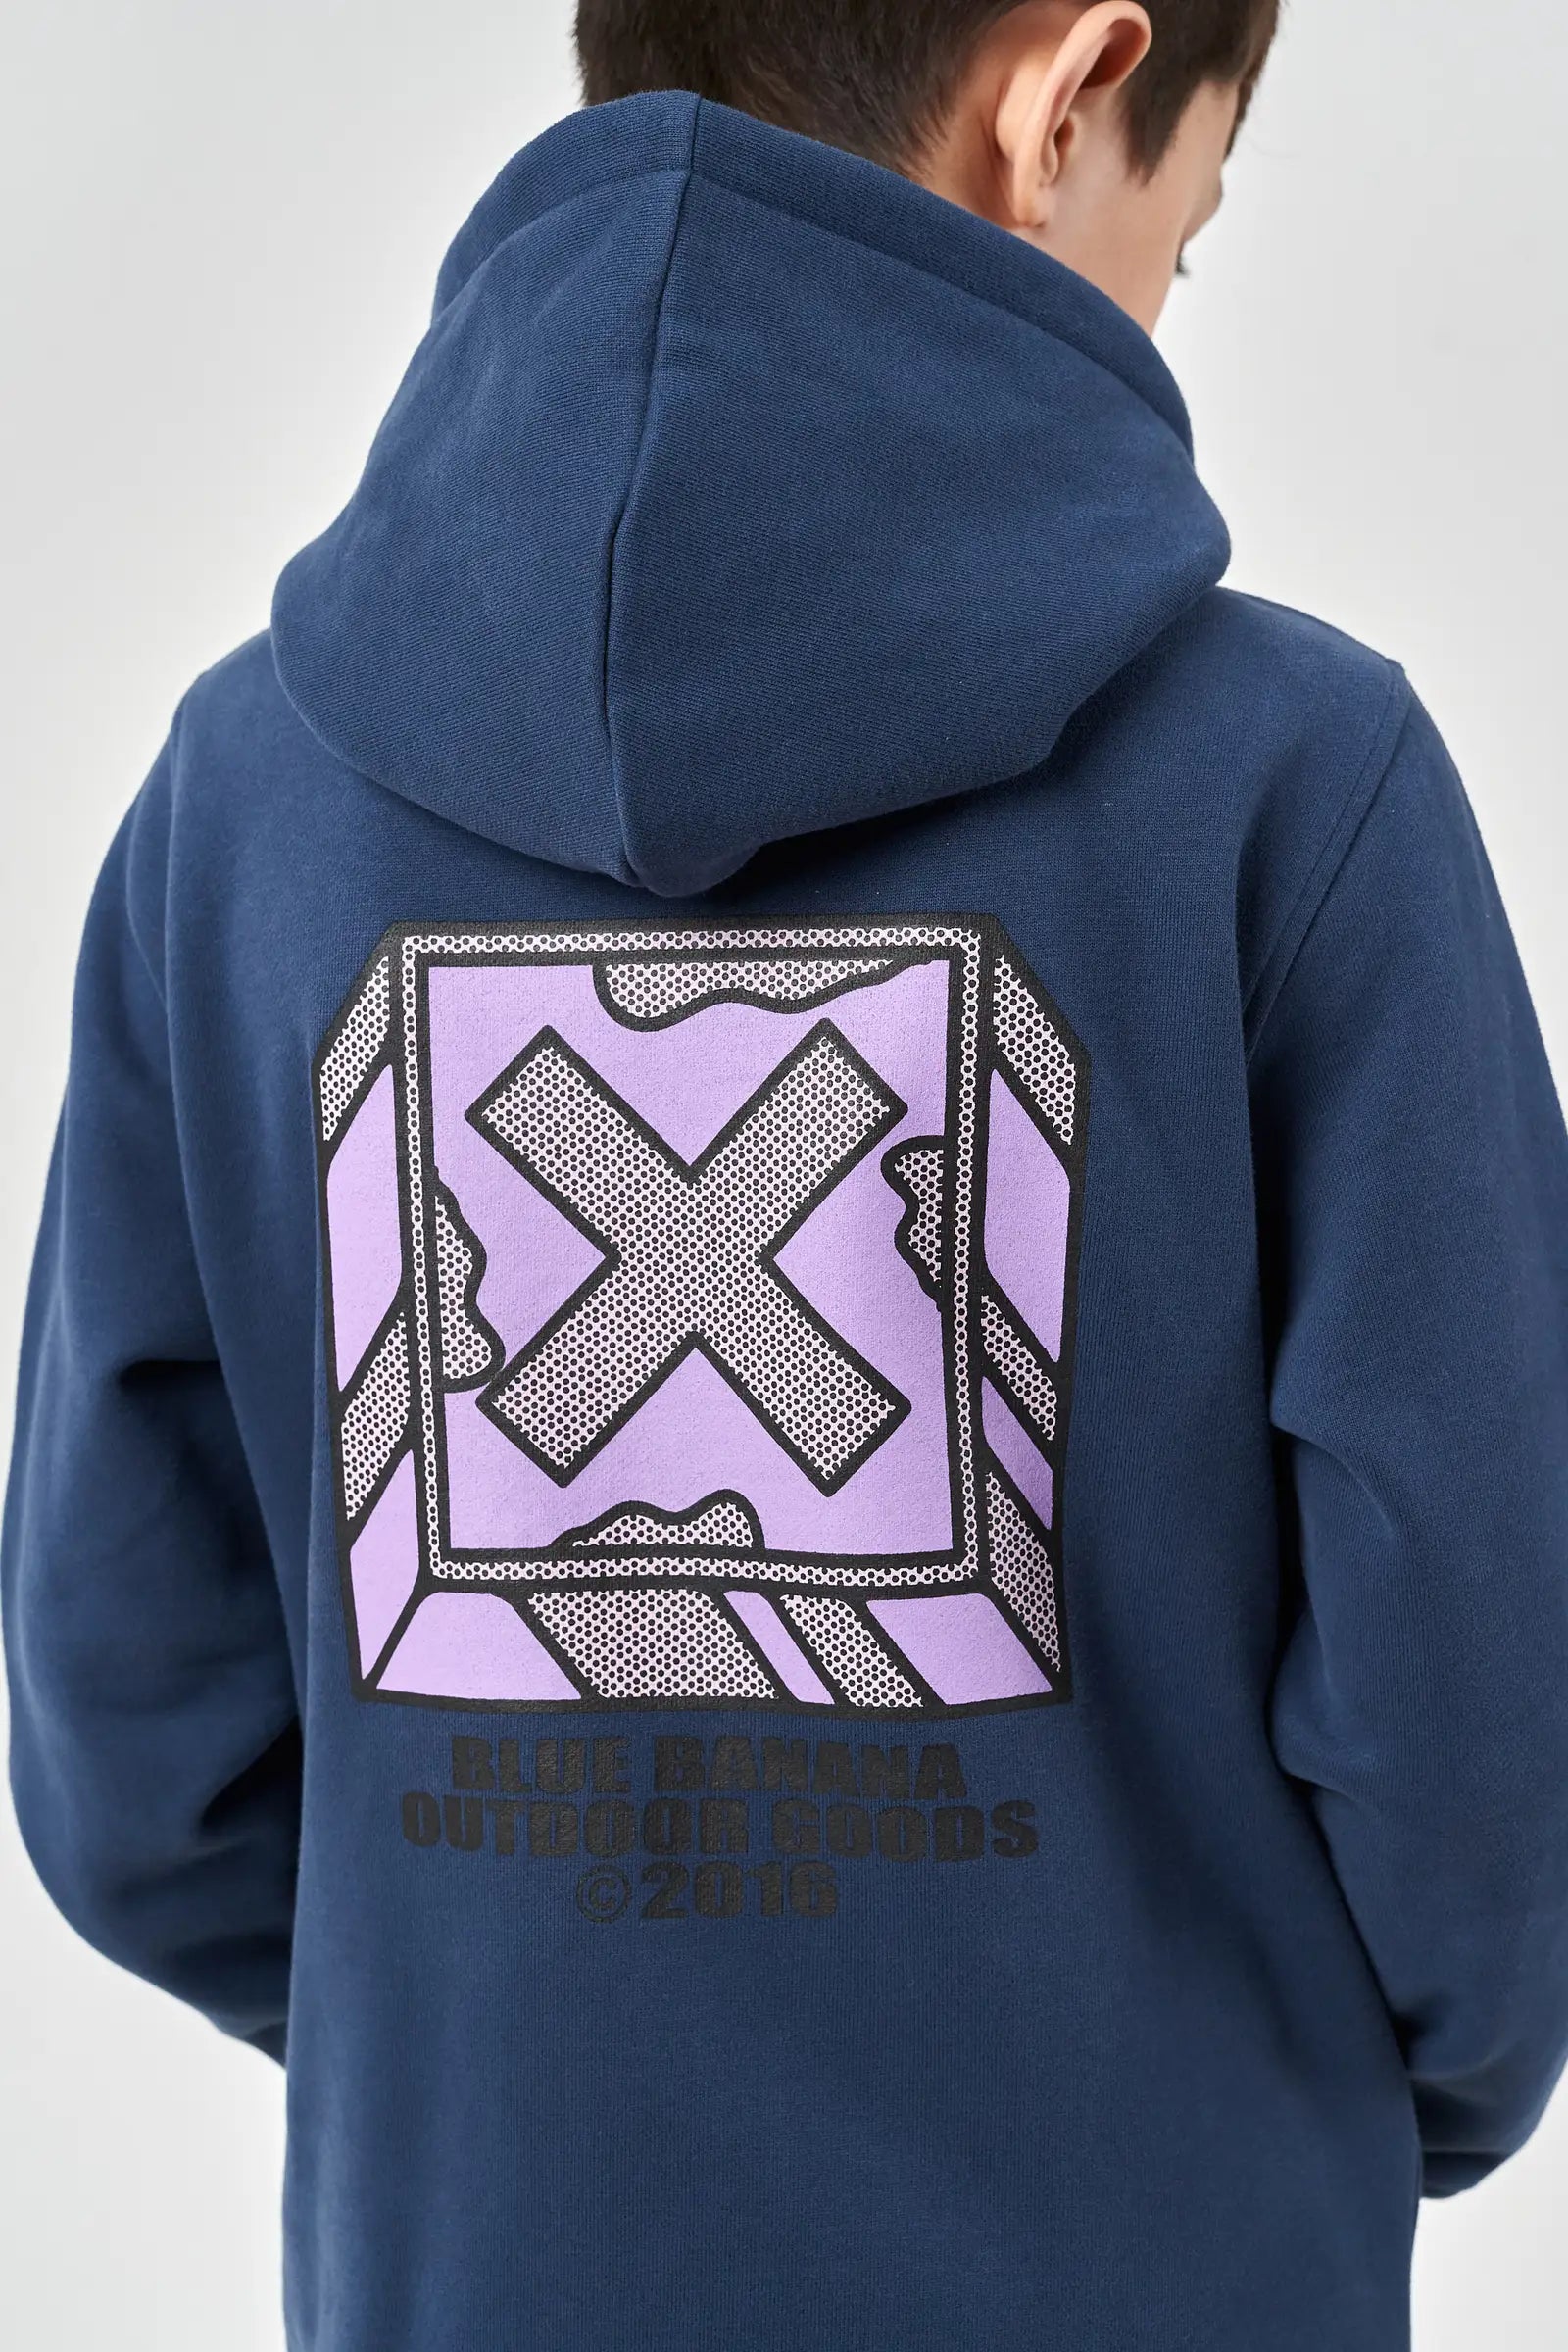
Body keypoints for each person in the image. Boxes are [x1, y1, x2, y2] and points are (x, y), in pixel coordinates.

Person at [6, 3, 1567, 2345]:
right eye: (1188, 228)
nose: (1162, 302)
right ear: (1066, 94)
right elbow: (1485, 1729)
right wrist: (1296, 2114)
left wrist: (507, 2046)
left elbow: (134, 1739)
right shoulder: (1292, 788)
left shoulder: (241, 804)